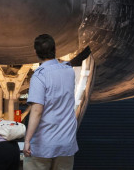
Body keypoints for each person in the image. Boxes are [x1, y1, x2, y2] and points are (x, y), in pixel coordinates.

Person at [23, 34, 81, 170]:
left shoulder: (40, 75)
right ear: (55, 50)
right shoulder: (69, 71)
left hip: (44, 144)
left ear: (35, 52)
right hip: (66, 143)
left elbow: (37, 111)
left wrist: (27, 140)